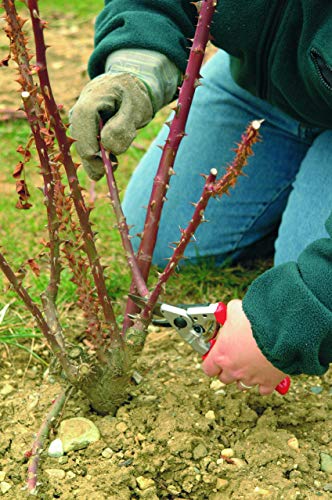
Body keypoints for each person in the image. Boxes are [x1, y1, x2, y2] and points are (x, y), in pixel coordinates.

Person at [70, 1, 332, 395]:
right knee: (157, 234)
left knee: (305, 282)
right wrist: (136, 67)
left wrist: (290, 313)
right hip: (259, 92)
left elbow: (305, 308)